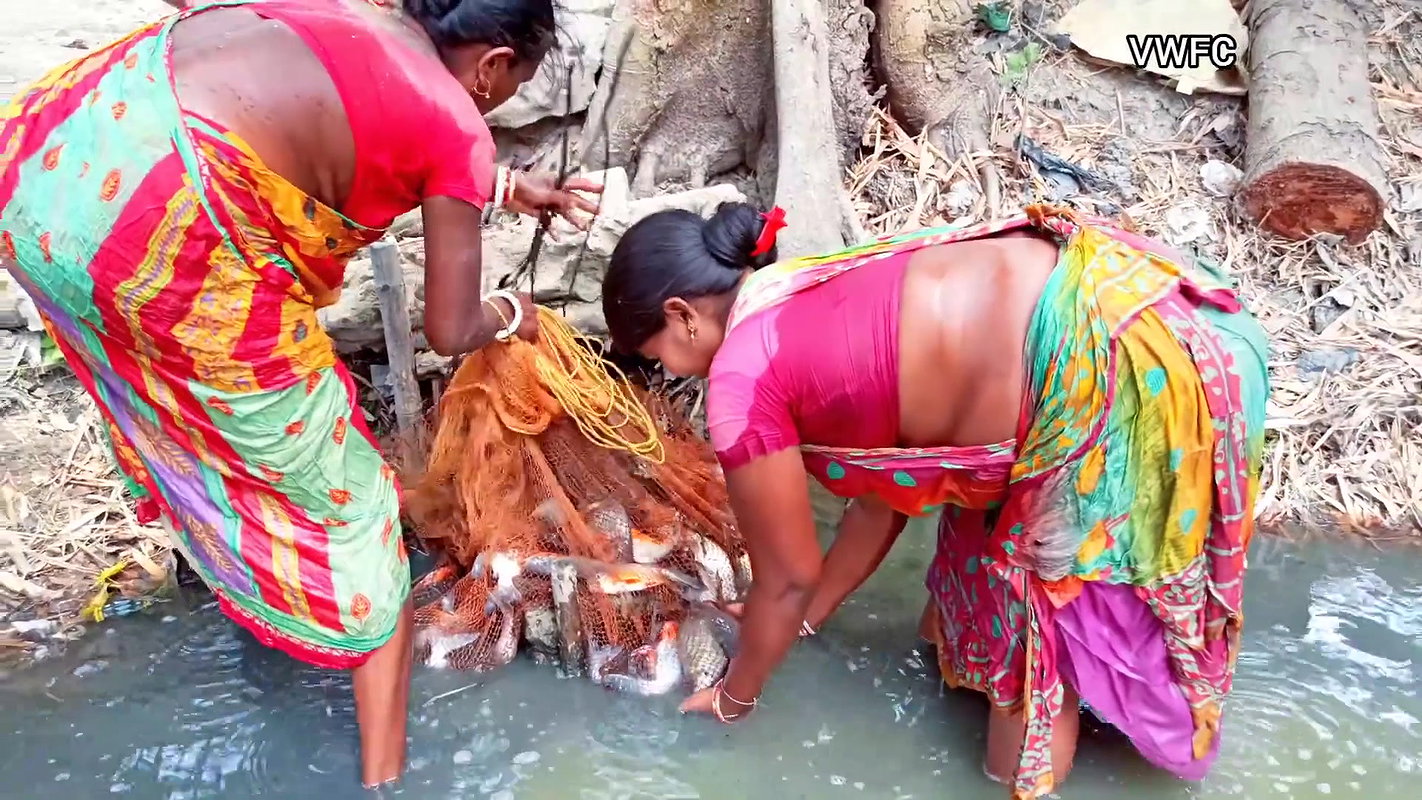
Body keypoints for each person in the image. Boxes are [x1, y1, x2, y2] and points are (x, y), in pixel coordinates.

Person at [0, 0, 600, 788]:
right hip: (154, 231)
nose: (494, 101)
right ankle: (384, 777)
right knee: (358, 512)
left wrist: (511, 188)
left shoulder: (361, 13)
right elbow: (452, 329)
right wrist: (517, 316)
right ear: (491, 63)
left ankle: (246, 585)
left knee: (198, 425)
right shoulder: (456, 121)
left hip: (55, 159)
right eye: (509, 84)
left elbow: (372, 109)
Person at [600, 202, 1269, 799]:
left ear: (682, 317)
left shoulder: (741, 384)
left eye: (658, 357)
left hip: (1105, 376)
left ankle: (1026, 777)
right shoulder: (785, 285)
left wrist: (736, 699)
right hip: (1129, 294)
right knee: (965, 584)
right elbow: (884, 495)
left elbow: (787, 578)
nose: (668, 373)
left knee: (1029, 650)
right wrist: (808, 618)